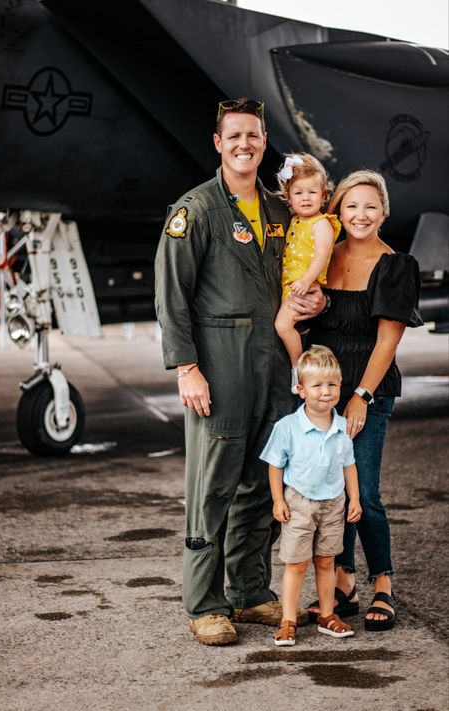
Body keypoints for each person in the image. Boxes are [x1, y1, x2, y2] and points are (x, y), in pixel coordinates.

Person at [154, 98, 326, 646]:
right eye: (234, 137)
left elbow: (296, 276)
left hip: (272, 362)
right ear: (218, 142)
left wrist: (313, 302)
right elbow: (171, 295)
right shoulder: (197, 209)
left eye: (253, 136)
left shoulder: (280, 213)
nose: (244, 145)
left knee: (261, 480)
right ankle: (206, 604)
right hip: (220, 360)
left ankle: (250, 592)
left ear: (262, 141)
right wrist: (187, 368)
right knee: (214, 485)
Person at [301, 170, 423, 631]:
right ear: (338, 211)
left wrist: (361, 398)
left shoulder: (396, 266)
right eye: (351, 206)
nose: (360, 215)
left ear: (384, 212)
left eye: (371, 206)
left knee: (363, 493)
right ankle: (345, 582)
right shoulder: (323, 257)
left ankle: (384, 583)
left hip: (367, 392)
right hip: (323, 396)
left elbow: (387, 343)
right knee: (332, 495)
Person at [261, 345, 362, 646]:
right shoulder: (288, 427)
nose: (326, 392)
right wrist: (278, 500)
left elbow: (349, 466)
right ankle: (288, 620)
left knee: (326, 561)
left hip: (333, 503)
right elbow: (275, 466)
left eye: (332, 384)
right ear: (301, 390)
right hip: (299, 503)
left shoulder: (342, 428)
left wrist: (354, 499)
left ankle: (327, 616)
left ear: (340, 387)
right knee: (297, 564)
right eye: (317, 385)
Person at [274, 154, 341, 394]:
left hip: (303, 286)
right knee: (288, 325)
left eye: (312, 192)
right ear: (289, 197)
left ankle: (298, 368)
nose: (305, 198)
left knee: (282, 326)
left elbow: (322, 254)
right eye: (299, 193)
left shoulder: (321, 223)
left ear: (323, 196)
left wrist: (306, 280)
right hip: (291, 285)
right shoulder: (295, 221)